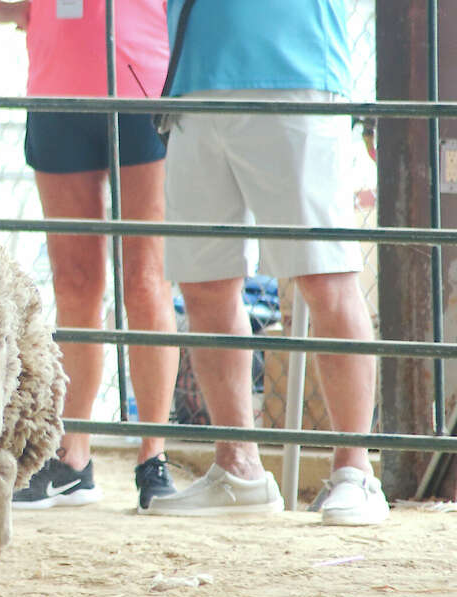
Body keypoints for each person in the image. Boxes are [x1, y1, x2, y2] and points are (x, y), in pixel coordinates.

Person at [143, 0, 390, 525]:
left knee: (325, 276)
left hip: (296, 71)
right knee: (204, 283)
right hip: (195, 81)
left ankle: (355, 471)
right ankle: (238, 469)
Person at [0, 0, 180, 511]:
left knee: (146, 278)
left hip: (143, 85)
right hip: (57, 87)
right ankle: (72, 456)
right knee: (75, 282)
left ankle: (153, 453)